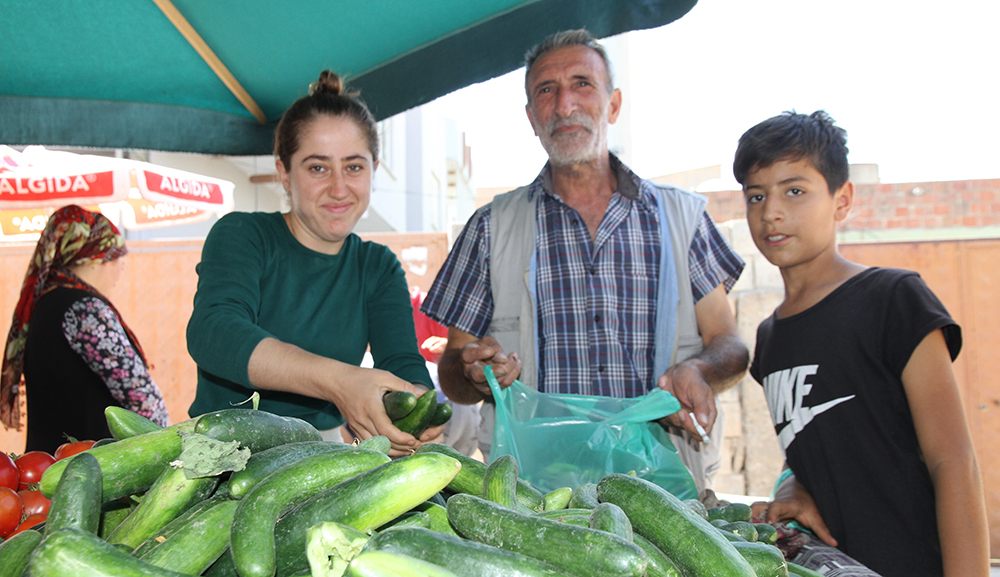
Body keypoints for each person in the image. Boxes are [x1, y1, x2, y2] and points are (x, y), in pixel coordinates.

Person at [421, 29, 748, 491]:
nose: (564, 105)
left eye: (582, 84)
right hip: (536, 498)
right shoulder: (490, 228)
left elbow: (730, 345)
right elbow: (452, 371)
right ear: (531, 117)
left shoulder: (683, 217)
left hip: (667, 492)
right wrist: (475, 372)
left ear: (613, 105)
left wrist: (697, 370)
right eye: (546, 90)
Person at [737, 110, 989, 577]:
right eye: (756, 195)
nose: (771, 211)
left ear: (842, 200)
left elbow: (953, 462)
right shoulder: (769, 339)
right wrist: (793, 484)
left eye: (794, 191)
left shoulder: (894, 299)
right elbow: (817, 443)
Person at [186, 71, 442, 457]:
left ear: (373, 169)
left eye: (354, 167)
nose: (339, 188)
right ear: (284, 173)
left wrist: (418, 403)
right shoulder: (244, 234)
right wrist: (339, 381)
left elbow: (401, 361)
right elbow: (215, 331)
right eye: (318, 168)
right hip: (221, 449)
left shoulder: (377, 266)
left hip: (322, 453)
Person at [1, 205, 169, 453]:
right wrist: (166, 448)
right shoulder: (84, 310)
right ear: (97, 258)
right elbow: (142, 397)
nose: (118, 276)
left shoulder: (42, 303)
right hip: (89, 462)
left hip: (47, 459)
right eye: (119, 263)